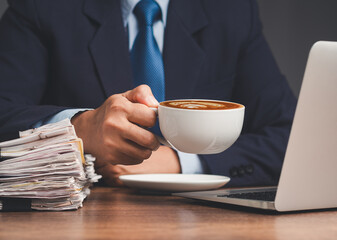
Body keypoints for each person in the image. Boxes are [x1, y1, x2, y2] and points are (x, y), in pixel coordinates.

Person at [0, 0, 296, 187]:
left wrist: (181, 163)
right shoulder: (40, 7)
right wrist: (80, 130)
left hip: (203, 221)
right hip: (83, 217)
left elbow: (291, 137)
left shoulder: (232, 10)